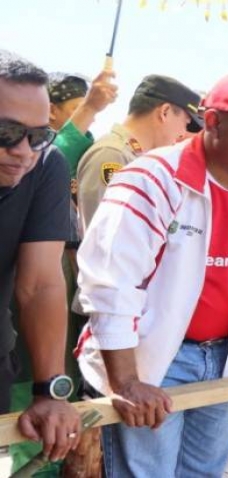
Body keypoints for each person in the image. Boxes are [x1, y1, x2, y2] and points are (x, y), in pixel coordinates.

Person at [74, 69, 228, 477]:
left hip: (227, 355)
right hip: (151, 357)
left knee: (206, 470)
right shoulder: (150, 181)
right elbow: (111, 287)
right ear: (214, 122)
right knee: (147, 472)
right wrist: (128, 383)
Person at [0, 49, 82, 461]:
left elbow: (40, 282)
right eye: (7, 132)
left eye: (37, 134)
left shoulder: (47, 165)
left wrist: (51, 390)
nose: (24, 151)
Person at [76, 73, 202, 229]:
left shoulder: (132, 157)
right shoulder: (112, 154)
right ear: (165, 112)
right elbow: (104, 236)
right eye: (186, 123)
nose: (183, 133)